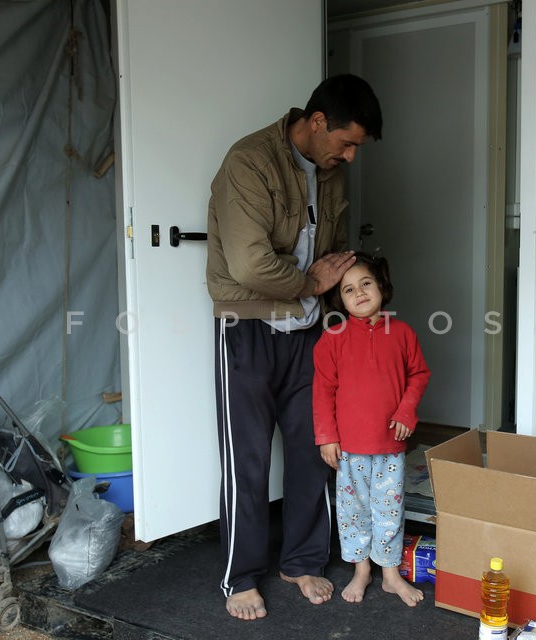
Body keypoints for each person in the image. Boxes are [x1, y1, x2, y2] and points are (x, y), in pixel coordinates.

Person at [206, 74, 383, 621]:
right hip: (249, 325)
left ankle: (302, 561)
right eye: (346, 142)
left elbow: (333, 256)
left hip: (310, 332)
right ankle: (240, 575)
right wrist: (310, 283)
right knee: (248, 458)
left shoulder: (330, 175)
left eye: (357, 147)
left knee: (315, 450)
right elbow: (249, 264)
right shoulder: (250, 162)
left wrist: (344, 303)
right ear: (316, 123)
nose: (350, 156)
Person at [312, 252, 431, 607]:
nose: (360, 293)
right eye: (349, 289)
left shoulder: (403, 333)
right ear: (340, 298)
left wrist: (407, 411)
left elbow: (419, 375)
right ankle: (361, 570)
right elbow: (322, 391)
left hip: (390, 445)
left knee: (389, 509)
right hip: (349, 447)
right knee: (353, 511)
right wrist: (326, 437)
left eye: (366, 283)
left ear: (381, 285)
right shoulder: (332, 339)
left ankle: (391, 575)